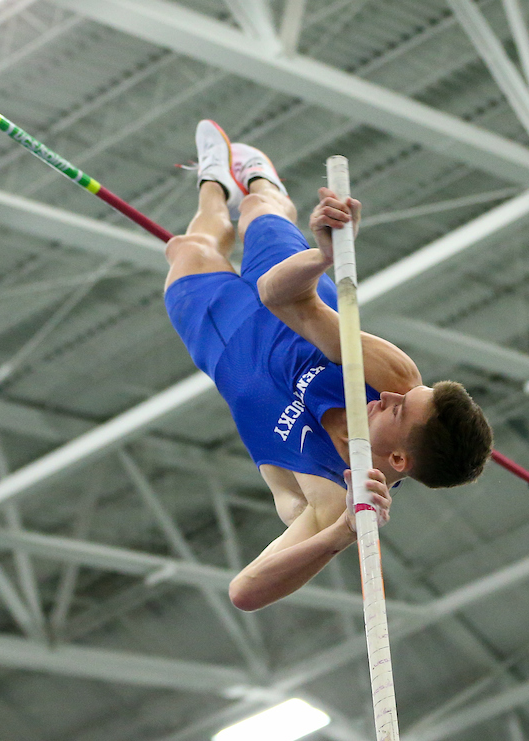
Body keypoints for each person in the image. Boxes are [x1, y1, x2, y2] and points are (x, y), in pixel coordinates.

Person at [163, 121, 493, 612]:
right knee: (259, 208)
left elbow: (245, 592)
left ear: (399, 461)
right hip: (288, 304)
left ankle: (212, 182)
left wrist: (341, 534)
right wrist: (324, 254)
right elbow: (280, 297)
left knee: (188, 249)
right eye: (407, 395)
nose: (395, 397)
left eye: (400, 412)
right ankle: (255, 180)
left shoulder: (333, 499)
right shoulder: (394, 376)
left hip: (231, 346)